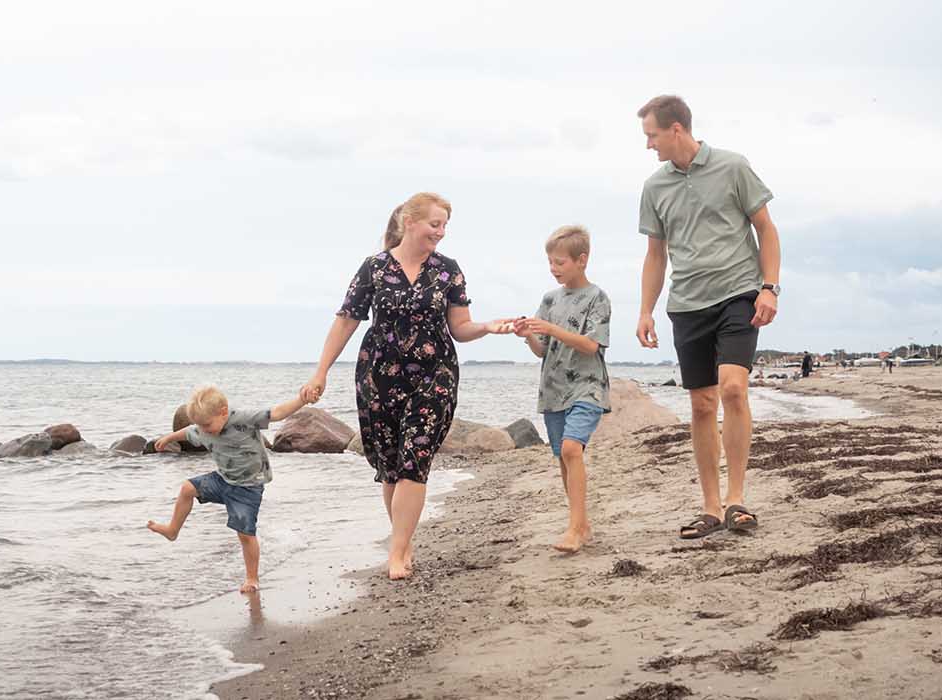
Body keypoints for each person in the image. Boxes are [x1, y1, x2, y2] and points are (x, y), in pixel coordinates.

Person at [299, 192, 515, 580]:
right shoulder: (374, 268)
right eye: (436, 224)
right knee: (391, 466)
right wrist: (321, 372)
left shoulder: (447, 270)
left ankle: (396, 553)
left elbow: (460, 328)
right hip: (379, 376)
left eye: (445, 225)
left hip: (435, 376)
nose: (441, 233)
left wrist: (487, 327)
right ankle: (404, 538)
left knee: (415, 458)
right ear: (409, 222)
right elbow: (346, 321)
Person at [633, 95, 783, 539]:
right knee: (701, 405)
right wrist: (645, 310)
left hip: (739, 293)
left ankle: (738, 500)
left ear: (676, 129)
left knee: (734, 389)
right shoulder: (654, 187)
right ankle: (711, 506)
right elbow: (655, 254)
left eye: (651, 136)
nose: (648, 145)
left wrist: (769, 287)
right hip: (687, 304)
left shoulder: (733, 166)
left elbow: (766, 228)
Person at [149, 385, 311, 593]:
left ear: (224, 411)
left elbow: (276, 413)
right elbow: (189, 432)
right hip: (222, 480)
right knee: (187, 488)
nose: (203, 430)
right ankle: (172, 530)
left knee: (245, 534)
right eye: (200, 426)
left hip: (248, 488)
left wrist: (302, 400)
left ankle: (252, 578)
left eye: (206, 424)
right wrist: (168, 438)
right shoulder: (203, 429)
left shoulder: (243, 419)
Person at [512, 225, 612, 553]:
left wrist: (553, 328)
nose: (554, 269)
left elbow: (590, 345)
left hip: (587, 387)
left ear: (581, 260)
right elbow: (542, 350)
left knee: (572, 450)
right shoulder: (549, 299)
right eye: (550, 263)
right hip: (553, 390)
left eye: (560, 263)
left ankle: (574, 528)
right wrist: (527, 334)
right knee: (563, 458)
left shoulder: (597, 298)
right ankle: (581, 523)